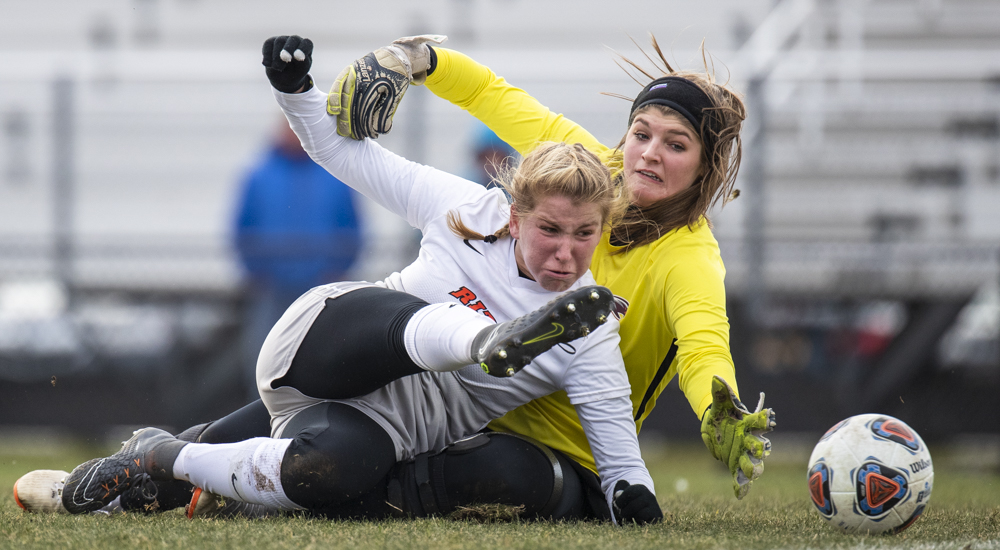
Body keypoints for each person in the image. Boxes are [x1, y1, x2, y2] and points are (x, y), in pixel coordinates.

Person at [36, 35, 663, 525]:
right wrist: (296, 89)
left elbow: (617, 454)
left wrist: (633, 496)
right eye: (551, 230)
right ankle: (486, 343)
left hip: (375, 427)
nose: (566, 253)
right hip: (328, 347)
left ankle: (153, 460)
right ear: (515, 214)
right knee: (414, 322)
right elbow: (345, 154)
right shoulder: (467, 209)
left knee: (326, 474)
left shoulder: (588, 329)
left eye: (585, 236)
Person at [319, 34, 778, 513]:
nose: (648, 153)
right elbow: (489, 95)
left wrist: (717, 408)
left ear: (707, 167)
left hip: (563, 457)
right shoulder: (586, 172)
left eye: (676, 144)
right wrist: (420, 58)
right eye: (641, 134)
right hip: (462, 407)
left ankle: (346, 487)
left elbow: (704, 347)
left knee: (508, 473)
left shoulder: (689, 257)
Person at [234, 120, 361, 399]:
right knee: (262, 357)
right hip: (272, 289)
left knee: (322, 356)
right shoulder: (259, 175)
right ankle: (263, 422)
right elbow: (243, 227)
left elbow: (352, 227)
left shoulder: (334, 177)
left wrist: (337, 271)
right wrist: (257, 272)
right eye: (288, 127)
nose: (293, 134)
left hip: (321, 291)